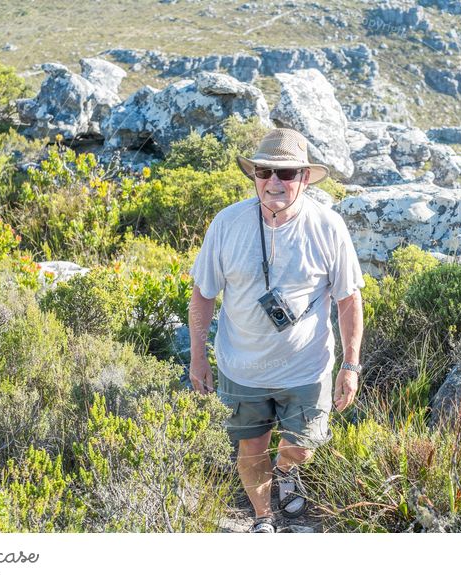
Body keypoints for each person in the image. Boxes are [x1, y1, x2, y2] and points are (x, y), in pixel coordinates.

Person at [188, 127, 364, 533]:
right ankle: (264, 516)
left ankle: (286, 472)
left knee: (302, 446)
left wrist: (350, 366)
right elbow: (203, 294)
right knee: (251, 447)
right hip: (242, 366)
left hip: (307, 368)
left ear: (304, 177)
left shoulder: (328, 226)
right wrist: (199, 356)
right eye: (264, 171)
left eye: (285, 174)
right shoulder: (227, 224)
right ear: (254, 175)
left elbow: (348, 300)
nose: (273, 182)